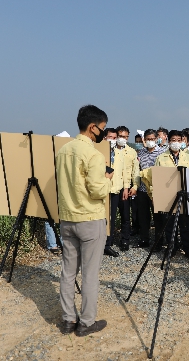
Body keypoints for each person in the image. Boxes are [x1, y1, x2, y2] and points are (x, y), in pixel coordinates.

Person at [55, 104, 111, 336]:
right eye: (102, 129)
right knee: (89, 274)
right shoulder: (94, 155)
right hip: (90, 219)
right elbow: (97, 191)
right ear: (92, 127)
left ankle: (68, 320)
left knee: (68, 272)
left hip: (67, 219)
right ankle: (87, 322)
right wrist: (108, 179)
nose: (104, 134)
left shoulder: (63, 151)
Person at [154, 130, 189, 260]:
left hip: (185, 196)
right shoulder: (161, 157)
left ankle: (188, 249)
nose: (176, 143)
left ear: (183, 141)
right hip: (168, 197)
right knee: (170, 225)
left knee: (185, 225)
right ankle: (171, 248)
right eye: (173, 140)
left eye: (179, 140)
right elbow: (157, 178)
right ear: (168, 141)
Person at [135, 129, 165, 248]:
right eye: (148, 139)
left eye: (152, 139)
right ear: (144, 140)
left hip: (156, 190)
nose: (150, 141)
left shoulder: (162, 153)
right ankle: (144, 239)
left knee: (158, 217)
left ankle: (158, 242)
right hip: (142, 189)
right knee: (143, 216)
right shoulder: (140, 152)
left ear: (157, 139)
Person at [102, 128, 129, 257]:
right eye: (110, 137)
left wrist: (125, 188)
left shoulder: (119, 153)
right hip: (103, 190)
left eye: (114, 138)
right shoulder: (99, 152)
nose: (112, 140)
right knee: (104, 218)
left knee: (112, 219)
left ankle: (108, 244)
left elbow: (124, 172)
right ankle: (102, 243)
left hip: (116, 190)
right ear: (104, 138)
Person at [115, 125, 139, 251]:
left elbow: (135, 171)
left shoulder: (131, 152)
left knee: (125, 215)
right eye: (120, 136)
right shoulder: (111, 150)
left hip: (126, 187)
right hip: (113, 187)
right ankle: (108, 239)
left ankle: (125, 240)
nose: (123, 139)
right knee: (111, 215)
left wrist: (134, 186)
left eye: (125, 137)